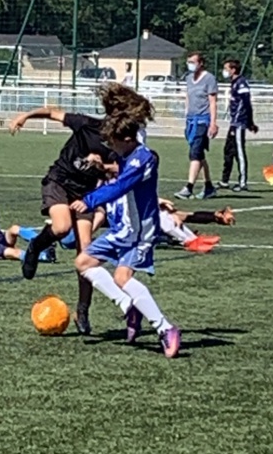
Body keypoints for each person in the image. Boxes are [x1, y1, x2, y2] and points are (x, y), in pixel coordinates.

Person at [8, 84, 153, 335]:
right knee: (62, 227)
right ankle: (35, 247)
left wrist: (104, 165)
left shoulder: (121, 141)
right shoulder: (87, 124)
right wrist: (26, 116)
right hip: (60, 181)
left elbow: (126, 171)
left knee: (85, 254)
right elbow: (53, 113)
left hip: (86, 194)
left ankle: (83, 310)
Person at [70, 107, 181, 358]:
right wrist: (102, 165)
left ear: (128, 139)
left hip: (141, 230)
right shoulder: (127, 155)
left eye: (114, 142)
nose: (111, 146)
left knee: (122, 277)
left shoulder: (145, 158)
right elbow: (120, 171)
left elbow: (121, 186)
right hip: (123, 229)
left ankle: (165, 328)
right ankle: (127, 305)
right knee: (83, 262)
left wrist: (89, 200)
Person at [174, 51, 219, 200]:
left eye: (193, 62)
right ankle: (209, 186)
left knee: (195, 153)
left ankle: (189, 187)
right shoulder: (188, 79)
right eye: (189, 62)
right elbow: (188, 97)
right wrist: (186, 115)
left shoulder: (209, 79)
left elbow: (212, 102)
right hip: (191, 119)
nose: (190, 65)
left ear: (201, 63)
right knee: (199, 154)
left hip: (202, 120)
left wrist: (213, 123)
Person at [218, 58, 258, 192]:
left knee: (239, 152)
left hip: (239, 123)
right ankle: (225, 180)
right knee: (228, 150)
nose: (224, 72)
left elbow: (247, 103)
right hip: (233, 122)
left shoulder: (241, 83)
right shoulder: (234, 83)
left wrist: (250, 122)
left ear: (233, 70)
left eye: (226, 69)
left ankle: (242, 182)